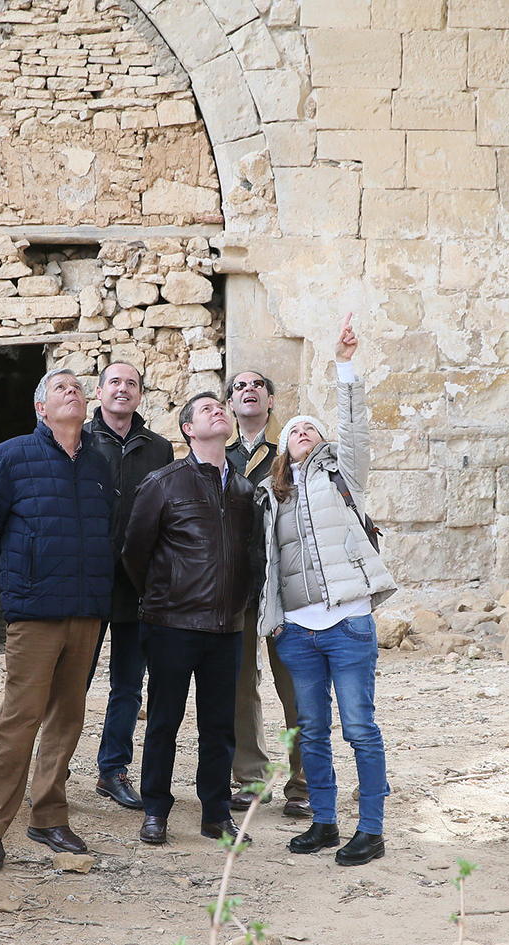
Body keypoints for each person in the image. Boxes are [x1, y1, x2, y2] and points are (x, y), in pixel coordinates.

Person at [257, 315, 397, 867]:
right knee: (310, 729)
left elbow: (354, 425)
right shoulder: (272, 496)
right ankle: (324, 819)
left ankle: (372, 827)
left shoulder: (344, 474)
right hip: (297, 630)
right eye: (294, 430)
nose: (304, 433)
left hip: (348, 623)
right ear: (283, 448)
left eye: (312, 428)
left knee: (359, 726)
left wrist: (344, 364)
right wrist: (275, 620)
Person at [0, 368, 115, 870]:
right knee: (20, 719)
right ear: (40, 407)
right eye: (60, 387)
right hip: (34, 613)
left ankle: (49, 817)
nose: (72, 391)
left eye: (78, 386)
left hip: (87, 613)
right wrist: (13, 587)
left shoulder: (99, 464)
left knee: (66, 719)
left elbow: (109, 535)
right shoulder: (10, 456)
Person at [121, 393, 256, 847]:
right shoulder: (163, 483)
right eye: (206, 410)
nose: (219, 410)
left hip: (227, 629)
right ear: (188, 430)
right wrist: (164, 599)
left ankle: (216, 815)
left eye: (222, 407)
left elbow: (251, 554)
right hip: (172, 625)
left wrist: (238, 602)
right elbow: (134, 553)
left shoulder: (242, 489)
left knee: (219, 727)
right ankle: (155, 810)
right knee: (164, 721)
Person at [82, 361, 174, 810]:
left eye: (131, 384)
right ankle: (53, 768)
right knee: (71, 681)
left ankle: (112, 769)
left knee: (127, 685)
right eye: (114, 382)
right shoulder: (78, 439)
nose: (123, 390)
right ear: (99, 392)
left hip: (138, 585)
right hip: (86, 583)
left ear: (140, 395)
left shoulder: (159, 449)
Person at [224, 369, 310, 818]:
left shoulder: (289, 454)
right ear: (230, 404)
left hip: (285, 585)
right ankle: (252, 779)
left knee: (295, 684)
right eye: (239, 387)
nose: (248, 390)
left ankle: (304, 782)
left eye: (257, 384)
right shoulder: (219, 455)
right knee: (240, 684)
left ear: (271, 401)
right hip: (236, 584)